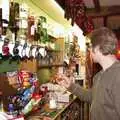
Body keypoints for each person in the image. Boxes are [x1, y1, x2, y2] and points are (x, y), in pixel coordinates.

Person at [56, 27, 120, 120]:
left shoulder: (117, 75)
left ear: (97, 48)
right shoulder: (99, 76)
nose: (89, 50)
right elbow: (92, 97)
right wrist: (70, 86)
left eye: (90, 46)